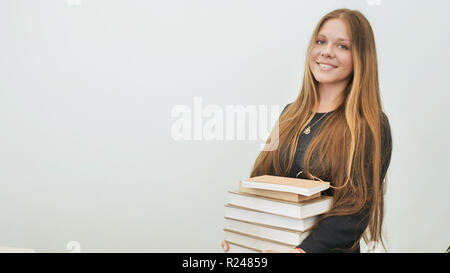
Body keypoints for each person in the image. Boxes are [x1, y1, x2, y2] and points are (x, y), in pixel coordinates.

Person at [221, 8, 392, 253]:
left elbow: (354, 210)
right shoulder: (290, 114)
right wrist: (243, 238)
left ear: (361, 57)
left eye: (342, 46)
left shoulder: (370, 125)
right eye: (320, 41)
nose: (326, 52)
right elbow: (263, 183)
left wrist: (302, 252)